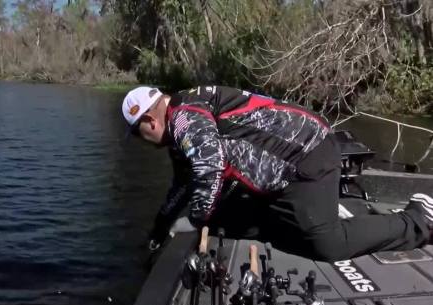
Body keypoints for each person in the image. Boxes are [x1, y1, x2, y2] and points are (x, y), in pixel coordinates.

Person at [122, 85, 433, 262]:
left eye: (137, 134)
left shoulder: (184, 119)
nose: (142, 141)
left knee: (327, 244)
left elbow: (210, 168)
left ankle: (418, 219)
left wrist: (194, 220)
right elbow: (185, 183)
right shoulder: (182, 120)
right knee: (233, 221)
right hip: (279, 170)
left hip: (308, 153)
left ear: (150, 121)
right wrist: (159, 230)